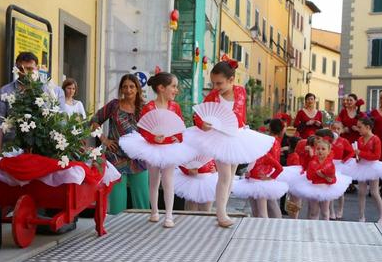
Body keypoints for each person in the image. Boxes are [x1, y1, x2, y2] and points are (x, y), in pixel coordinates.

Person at [190, 58, 274, 227]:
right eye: (213, 83)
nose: (215, 87)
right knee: (225, 175)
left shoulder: (241, 92)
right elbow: (198, 115)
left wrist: (234, 126)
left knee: (231, 176)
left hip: (237, 137)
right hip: (219, 138)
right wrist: (202, 124)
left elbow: (238, 115)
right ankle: (220, 212)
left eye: (219, 83)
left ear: (231, 80)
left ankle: (223, 209)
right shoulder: (213, 96)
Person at [119, 72, 196, 228]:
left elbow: (180, 128)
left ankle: (168, 215)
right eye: (173, 86)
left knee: (168, 180)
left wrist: (178, 138)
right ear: (161, 88)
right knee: (154, 180)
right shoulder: (149, 107)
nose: (176, 90)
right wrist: (153, 138)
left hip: (170, 148)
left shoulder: (175, 107)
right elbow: (143, 129)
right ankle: (154, 211)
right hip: (153, 148)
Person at [91, 74, 149, 214]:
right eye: (125, 87)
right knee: (117, 202)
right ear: (121, 89)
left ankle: (145, 233)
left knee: (142, 201)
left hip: (139, 158)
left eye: (131, 86)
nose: (128, 90)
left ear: (137, 88)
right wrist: (104, 139)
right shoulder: (114, 105)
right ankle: (117, 232)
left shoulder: (145, 108)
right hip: (115, 157)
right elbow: (94, 121)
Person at [0, 52, 65, 155]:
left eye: (30, 69)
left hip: (44, 150)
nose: (26, 73)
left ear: (37, 68)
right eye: (21, 69)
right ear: (16, 69)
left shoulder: (55, 92)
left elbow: (61, 122)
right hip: (13, 151)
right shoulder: (4, 92)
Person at [346, 117, 382, 223]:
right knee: (361, 192)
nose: (358, 129)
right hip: (362, 166)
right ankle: (361, 216)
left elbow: (376, 156)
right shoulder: (360, 140)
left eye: (360, 127)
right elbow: (359, 155)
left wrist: (360, 153)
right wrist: (357, 158)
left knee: (374, 192)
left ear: (368, 127)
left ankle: (381, 215)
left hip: (373, 166)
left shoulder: (375, 139)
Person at [288, 138, 352, 220]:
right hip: (314, 188)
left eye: (323, 149)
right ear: (315, 150)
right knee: (313, 212)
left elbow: (333, 178)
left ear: (328, 151)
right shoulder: (312, 162)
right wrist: (318, 175)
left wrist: (326, 178)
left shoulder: (330, 164)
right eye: (318, 149)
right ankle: (313, 229)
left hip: (325, 189)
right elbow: (309, 176)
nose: (320, 151)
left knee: (325, 211)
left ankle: (325, 227)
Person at [232, 142, 288, 218]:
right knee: (255, 212)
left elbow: (279, 168)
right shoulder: (251, 156)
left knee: (262, 213)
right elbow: (248, 169)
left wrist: (270, 177)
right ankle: (257, 226)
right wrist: (247, 175)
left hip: (260, 185)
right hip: (250, 184)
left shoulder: (265, 156)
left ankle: (264, 228)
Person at [249, 119, 287, 218]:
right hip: (264, 174)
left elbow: (273, 162)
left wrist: (270, 177)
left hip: (262, 175)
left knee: (263, 208)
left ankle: (273, 226)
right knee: (269, 205)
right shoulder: (275, 142)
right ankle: (276, 225)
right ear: (282, 130)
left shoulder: (268, 141)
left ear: (269, 128)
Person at [329, 121, 355, 220]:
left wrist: (344, 160)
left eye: (338, 129)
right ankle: (331, 211)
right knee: (330, 188)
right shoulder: (328, 140)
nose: (336, 130)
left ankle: (340, 209)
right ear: (330, 129)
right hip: (330, 164)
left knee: (340, 190)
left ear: (342, 130)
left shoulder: (343, 141)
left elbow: (351, 152)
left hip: (339, 165)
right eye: (334, 128)